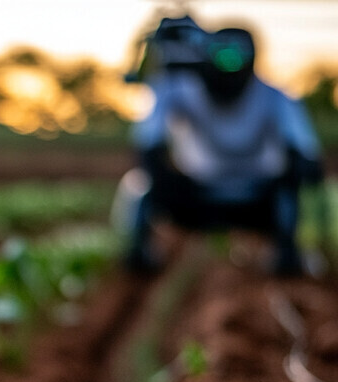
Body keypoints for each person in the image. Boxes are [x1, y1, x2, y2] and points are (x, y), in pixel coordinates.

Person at [121, 20, 323, 276]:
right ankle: (138, 255)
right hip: (193, 193)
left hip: (258, 196)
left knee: (287, 195)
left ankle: (289, 253)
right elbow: (148, 142)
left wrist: (298, 169)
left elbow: (306, 154)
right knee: (140, 186)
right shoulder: (176, 89)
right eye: (223, 56)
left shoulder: (275, 97)